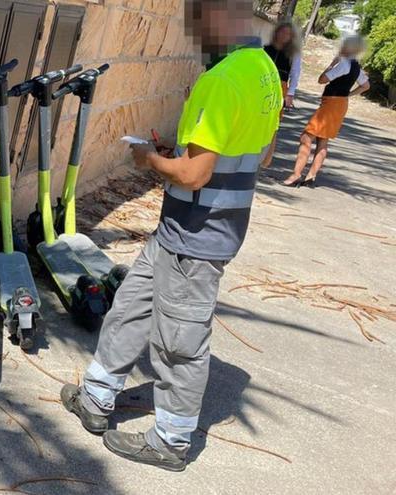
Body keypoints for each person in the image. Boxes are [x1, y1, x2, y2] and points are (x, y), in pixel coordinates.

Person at [59, 0, 281, 472]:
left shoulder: (223, 79)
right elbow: (258, 154)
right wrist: (178, 152)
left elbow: (195, 175)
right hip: (182, 231)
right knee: (132, 304)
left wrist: (151, 161)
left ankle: (172, 440)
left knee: (178, 342)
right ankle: (96, 397)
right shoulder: (263, 69)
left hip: (197, 238)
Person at [283, 35, 370, 187]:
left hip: (331, 104)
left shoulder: (344, 65)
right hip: (340, 103)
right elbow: (366, 85)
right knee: (322, 140)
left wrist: (332, 64)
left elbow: (322, 79)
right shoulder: (356, 67)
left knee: (306, 136)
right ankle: (311, 176)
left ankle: (296, 174)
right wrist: (348, 94)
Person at [262, 21, 302, 166]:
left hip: (280, 87)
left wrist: (290, 94)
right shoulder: (265, 49)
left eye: (288, 34)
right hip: (263, 85)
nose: (283, 36)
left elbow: (295, 74)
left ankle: (266, 159)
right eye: (282, 32)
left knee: (273, 124)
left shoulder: (293, 54)